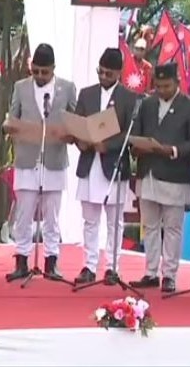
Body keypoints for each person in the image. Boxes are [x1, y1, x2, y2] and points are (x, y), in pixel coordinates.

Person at [129, 62, 190, 293]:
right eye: (159, 86)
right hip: (149, 172)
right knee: (150, 226)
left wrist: (172, 150)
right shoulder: (147, 104)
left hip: (175, 174)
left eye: (166, 86)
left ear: (177, 82)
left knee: (172, 228)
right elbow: (136, 133)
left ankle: (169, 275)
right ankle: (151, 272)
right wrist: (137, 147)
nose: (162, 90)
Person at [3, 43, 76, 281]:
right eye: (35, 71)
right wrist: (10, 127)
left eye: (45, 72)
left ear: (53, 68)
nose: (40, 76)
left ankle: (51, 261)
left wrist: (71, 134)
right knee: (23, 214)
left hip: (54, 158)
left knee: (52, 216)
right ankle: (22, 260)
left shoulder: (67, 88)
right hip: (27, 158)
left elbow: (75, 120)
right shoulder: (20, 87)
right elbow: (12, 117)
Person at [72, 48, 139, 285]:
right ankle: (89, 266)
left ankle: (112, 267)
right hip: (89, 162)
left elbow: (131, 133)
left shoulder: (129, 98)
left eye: (108, 73)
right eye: (100, 72)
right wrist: (81, 141)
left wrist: (107, 145)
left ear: (119, 73)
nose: (103, 76)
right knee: (90, 220)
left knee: (114, 222)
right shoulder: (86, 93)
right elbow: (77, 124)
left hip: (114, 165)